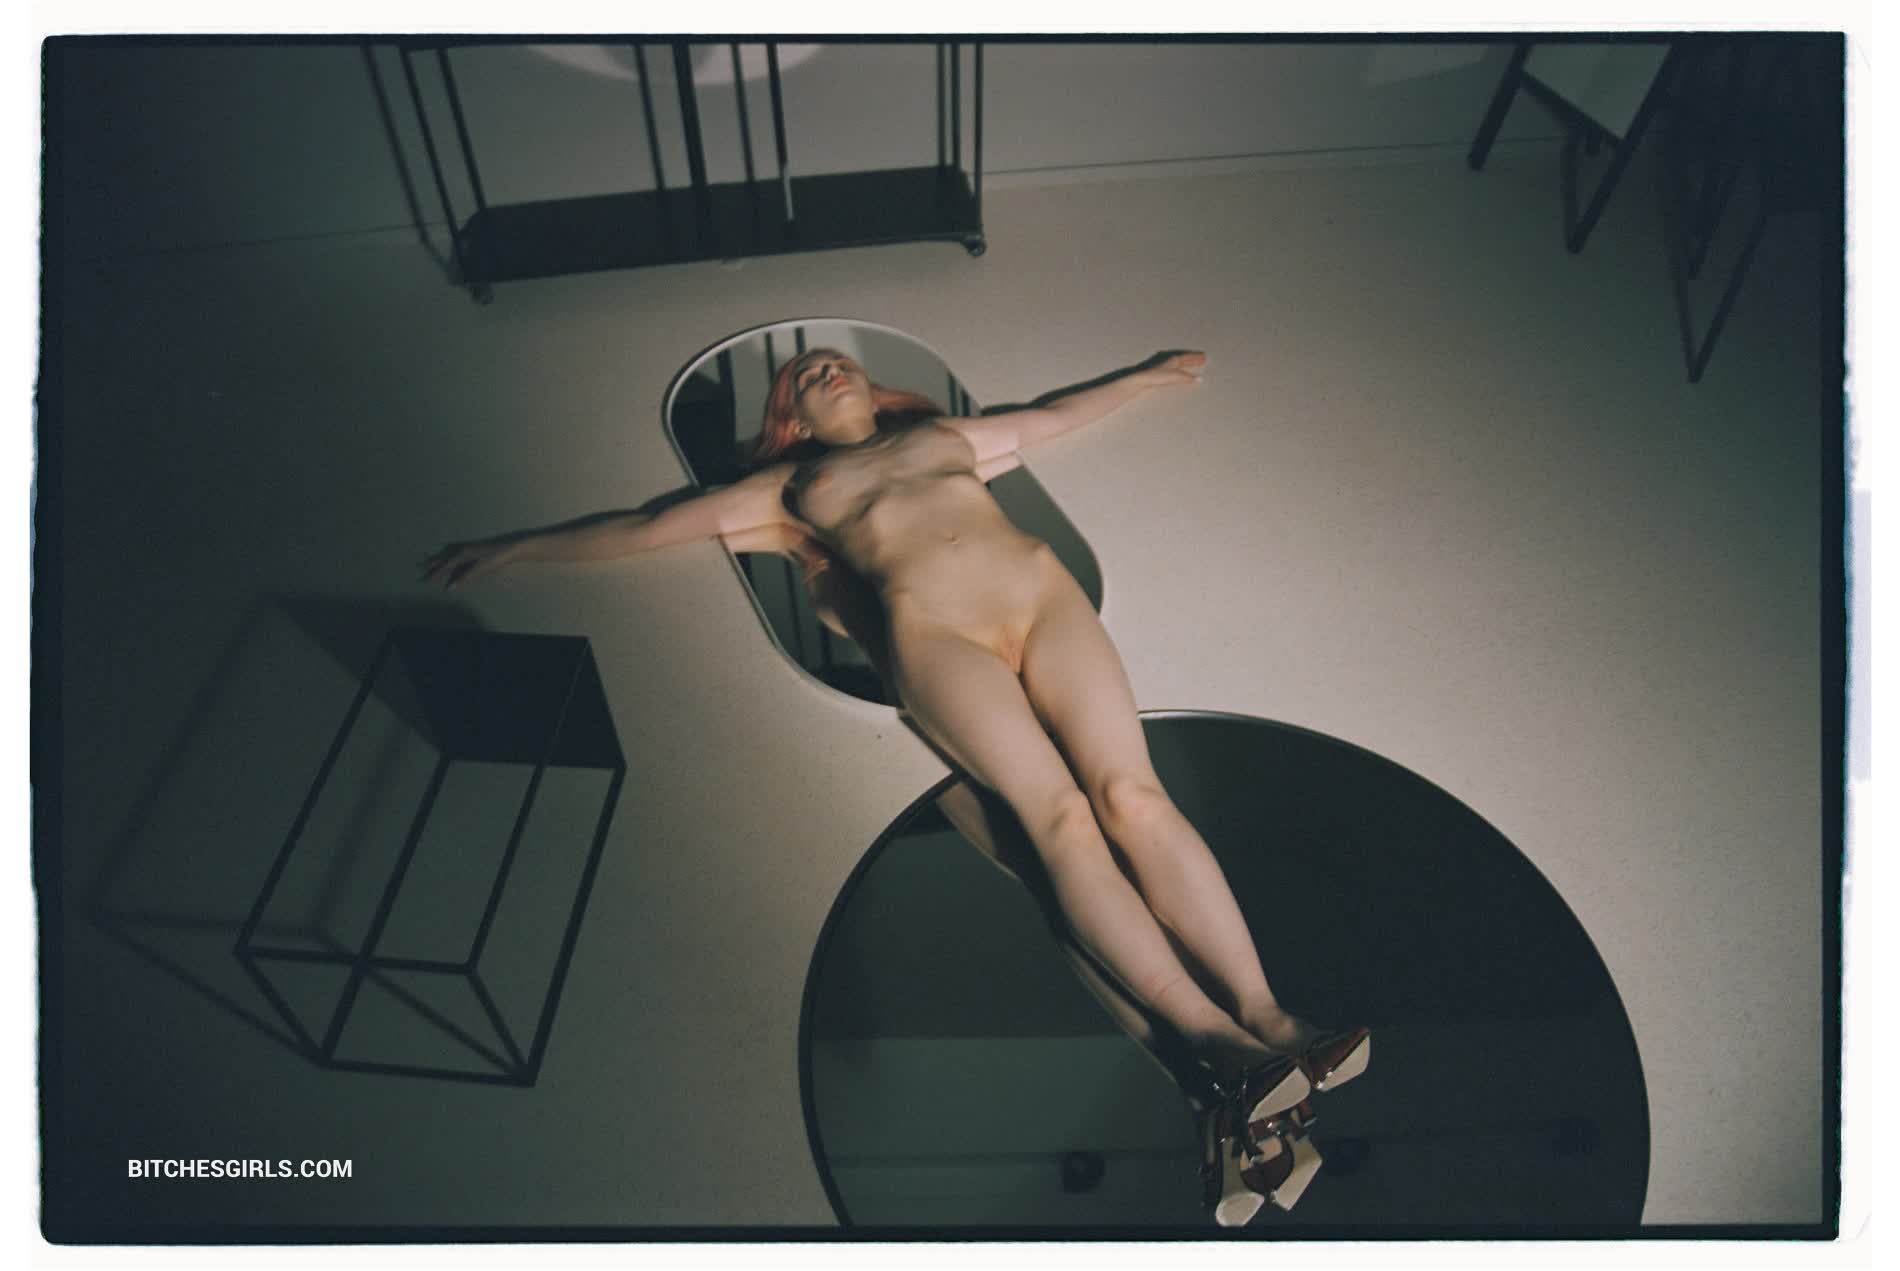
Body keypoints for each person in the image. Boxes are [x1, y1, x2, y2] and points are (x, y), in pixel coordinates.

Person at [420, 345, 1368, 1222]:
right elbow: (647, 526)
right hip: (940, 639)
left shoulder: (942, 436)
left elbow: (1052, 415)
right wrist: (514, 548)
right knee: (1063, 824)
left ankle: (1270, 1018)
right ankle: (1217, 1041)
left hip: (1038, 594)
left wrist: (1147, 375)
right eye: (803, 376)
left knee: (1136, 797)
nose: (824, 369)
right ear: (792, 418)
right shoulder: (794, 489)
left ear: (872, 387)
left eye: (836, 361)